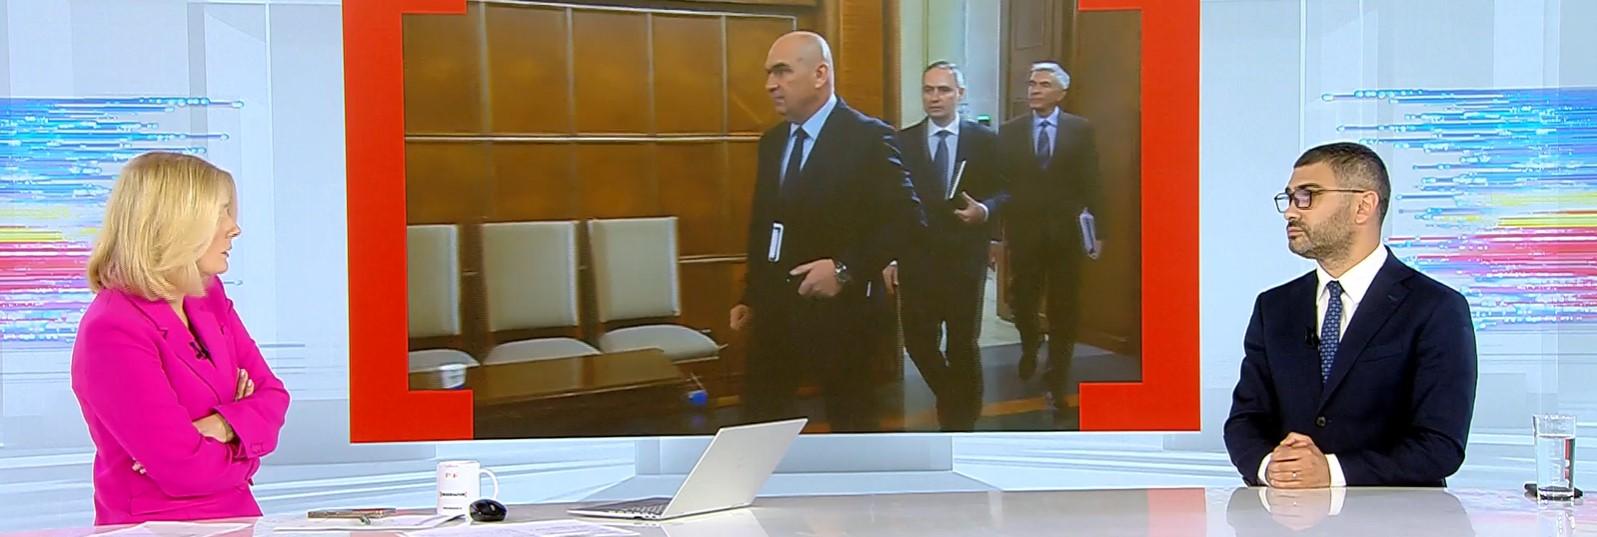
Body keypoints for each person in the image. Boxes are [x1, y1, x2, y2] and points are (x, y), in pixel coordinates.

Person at [1224, 142, 1477, 488]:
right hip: (1287, 513)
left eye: (1308, 196)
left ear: (1363, 206)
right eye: (1290, 198)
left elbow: (1440, 445)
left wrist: (1331, 471)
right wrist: (1271, 466)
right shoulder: (1274, 308)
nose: (1291, 212)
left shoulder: (1435, 308)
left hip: (1398, 513)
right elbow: (1245, 420)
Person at [72, 152, 290, 524]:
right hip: (158, 526)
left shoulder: (206, 296)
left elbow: (273, 397)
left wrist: (222, 426)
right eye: (219, 213)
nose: (234, 228)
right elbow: (183, 469)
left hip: (238, 518)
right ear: (174, 225)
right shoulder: (112, 329)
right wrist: (247, 443)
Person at [730, 31, 925, 432]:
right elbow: (765, 224)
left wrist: (843, 269)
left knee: (852, 427)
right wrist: (751, 294)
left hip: (844, 318)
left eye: (782, 71)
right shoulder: (773, 142)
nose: (770, 84)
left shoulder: (868, 137)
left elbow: (908, 220)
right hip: (775, 312)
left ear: (820, 74)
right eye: (768, 73)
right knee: (758, 423)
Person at [885, 60, 1007, 431]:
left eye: (943, 90)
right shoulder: (902, 141)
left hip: (963, 259)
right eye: (928, 90)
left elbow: (1005, 190)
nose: (934, 97)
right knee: (919, 343)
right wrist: (890, 257)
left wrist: (985, 211)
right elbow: (889, 203)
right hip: (917, 259)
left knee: (961, 344)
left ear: (960, 94)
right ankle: (955, 398)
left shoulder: (984, 140)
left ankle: (962, 423)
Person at [998, 61, 1105, 422]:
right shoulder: (1010, 131)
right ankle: (1031, 343)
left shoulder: (1080, 130)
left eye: (1044, 84)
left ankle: (1056, 379)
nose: (1034, 90)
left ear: (1061, 92)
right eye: (1032, 83)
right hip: (1024, 234)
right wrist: (996, 235)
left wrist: (1100, 232)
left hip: (1066, 237)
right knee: (1022, 302)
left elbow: (1092, 182)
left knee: (1064, 309)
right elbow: (1000, 184)